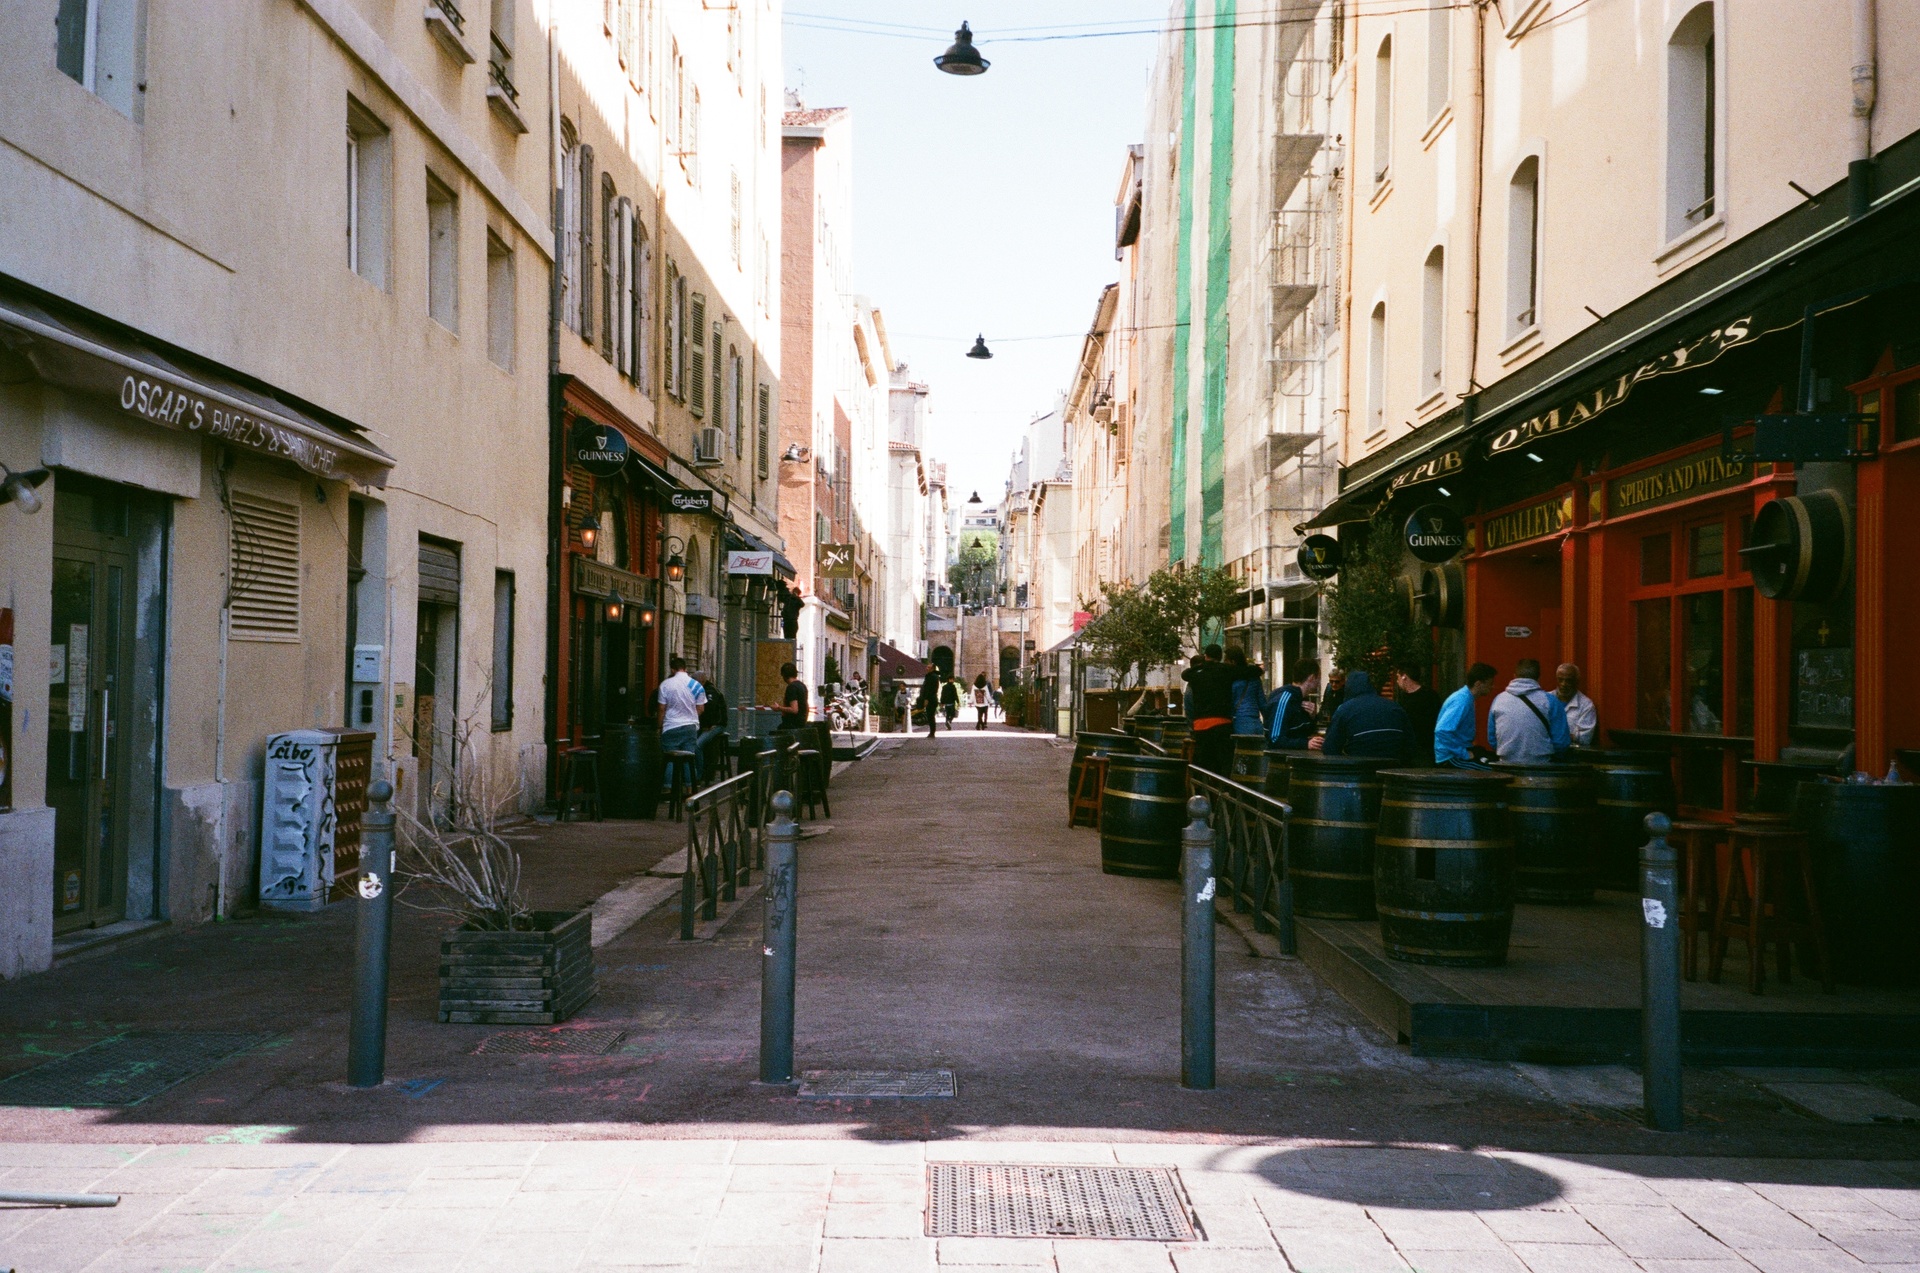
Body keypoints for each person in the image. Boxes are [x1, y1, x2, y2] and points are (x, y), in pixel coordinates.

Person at [1181, 643, 1252, 775]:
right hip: (1222, 723)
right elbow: (1250, 671)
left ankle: (1204, 791)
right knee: (1224, 763)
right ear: (1220, 657)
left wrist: (1204, 665)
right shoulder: (1226, 670)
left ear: (1205, 656)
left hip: (1201, 725)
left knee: (1204, 764)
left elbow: (1185, 674)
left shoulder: (1196, 674)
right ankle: (1223, 790)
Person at [1488, 657, 1572, 765]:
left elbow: (1492, 740)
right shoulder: (1551, 702)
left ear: (1514, 676)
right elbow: (1561, 743)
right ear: (1538, 678)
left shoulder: (1498, 700)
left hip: (1506, 766)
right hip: (1542, 767)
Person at [1321, 670, 1411, 760]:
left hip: (1359, 766)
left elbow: (1329, 747)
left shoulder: (1345, 709)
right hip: (1394, 766)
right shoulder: (1395, 707)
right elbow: (1410, 744)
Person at [1435, 662, 1498, 766]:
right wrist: (1464, 754)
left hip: (1458, 751)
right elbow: (1442, 731)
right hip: (1451, 757)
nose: (1492, 687)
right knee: (1494, 771)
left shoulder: (1465, 698)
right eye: (1490, 683)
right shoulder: (1462, 701)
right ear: (1478, 684)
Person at [658, 656, 707, 785]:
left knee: (669, 760)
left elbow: (662, 709)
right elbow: (701, 709)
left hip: (671, 726)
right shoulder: (696, 685)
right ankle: (690, 789)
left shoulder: (665, 684)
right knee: (688, 758)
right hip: (690, 727)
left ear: (672, 670)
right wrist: (690, 716)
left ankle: (668, 788)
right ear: (685, 668)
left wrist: (659, 726)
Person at [1394, 665, 1443, 765]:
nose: (1397, 681)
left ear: (1404, 677)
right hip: (1416, 749)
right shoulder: (1430, 695)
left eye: (1398, 676)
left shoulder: (1428, 696)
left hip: (1424, 749)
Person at [1267, 668, 1321, 750]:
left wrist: (1312, 717)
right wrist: (1305, 744)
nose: (1319, 683)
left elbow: (1302, 730)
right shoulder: (1283, 700)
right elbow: (1275, 738)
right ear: (1312, 678)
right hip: (1283, 760)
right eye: (1318, 679)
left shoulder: (1301, 698)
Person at [694, 672, 729, 781]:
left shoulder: (710, 692)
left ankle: (698, 776)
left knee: (697, 745)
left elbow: (709, 710)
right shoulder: (703, 690)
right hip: (706, 724)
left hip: (716, 725)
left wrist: (707, 725)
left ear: (701, 681)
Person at [1226, 647, 1267, 737]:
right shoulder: (1255, 677)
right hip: (1256, 722)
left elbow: (1230, 701)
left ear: (1232, 661)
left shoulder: (1232, 680)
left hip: (1239, 721)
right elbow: (1262, 703)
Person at [1555, 663, 1598, 747]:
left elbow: (1585, 738)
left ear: (1576, 681)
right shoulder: (1545, 700)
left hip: (1572, 755)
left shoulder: (1586, 705)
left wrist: (1556, 736)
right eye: (1560, 680)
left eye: (1568, 680)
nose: (1563, 684)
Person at [778, 662, 808, 732]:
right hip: (800, 724)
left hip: (791, 724)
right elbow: (806, 706)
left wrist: (779, 708)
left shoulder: (791, 687)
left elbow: (794, 709)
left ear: (784, 675)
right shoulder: (802, 686)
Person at [922, 666, 943, 738]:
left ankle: (932, 732)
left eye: (928, 667)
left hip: (931, 699)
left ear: (932, 669)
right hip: (933, 698)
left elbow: (929, 689)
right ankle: (932, 731)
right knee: (931, 716)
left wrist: (926, 699)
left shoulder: (931, 677)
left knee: (930, 716)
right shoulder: (933, 676)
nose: (926, 668)